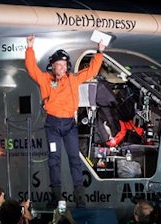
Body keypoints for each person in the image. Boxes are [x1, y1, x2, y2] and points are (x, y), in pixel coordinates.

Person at [25, 34, 106, 208]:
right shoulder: (45, 79)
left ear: (67, 66)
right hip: (52, 125)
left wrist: (99, 52)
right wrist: (30, 48)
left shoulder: (73, 79)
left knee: (74, 160)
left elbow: (91, 70)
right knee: (54, 160)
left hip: (69, 125)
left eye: (64, 65)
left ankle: (80, 199)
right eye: (58, 65)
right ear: (52, 67)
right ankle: (55, 198)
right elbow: (31, 69)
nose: (61, 68)